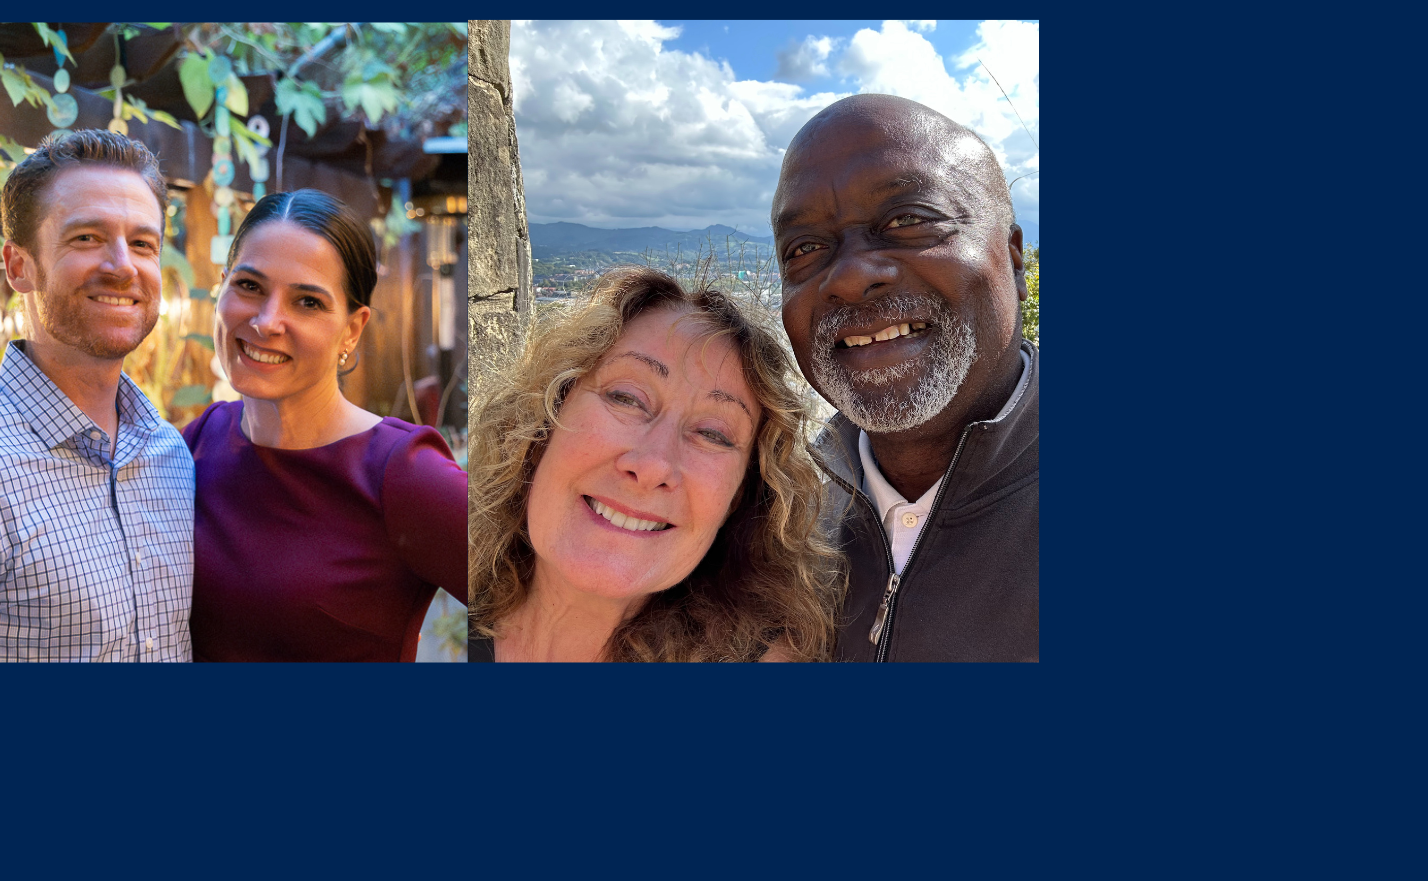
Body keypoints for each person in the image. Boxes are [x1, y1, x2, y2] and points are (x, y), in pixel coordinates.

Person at [0, 129, 195, 662]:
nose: (123, 265)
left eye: (143, 243)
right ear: (19, 267)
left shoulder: (169, 457)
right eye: (86, 237)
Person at [771, 93, 1038, 662]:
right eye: (806, 248)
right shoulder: (778, 534)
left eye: (908, 220)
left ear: (1015, 260)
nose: (849, 277)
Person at [466, 267, 839, 662]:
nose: (653, 465)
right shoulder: (428, 603)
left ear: (736, 499)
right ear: (541, 424)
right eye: (626, 398)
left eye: (712, 434)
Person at [182, 189, 467, 661]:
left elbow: (547, 605)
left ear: (352, 329)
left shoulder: (399, 472)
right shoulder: (200, 440)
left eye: (307, 302)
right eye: (249, 286)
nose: (267, 321)